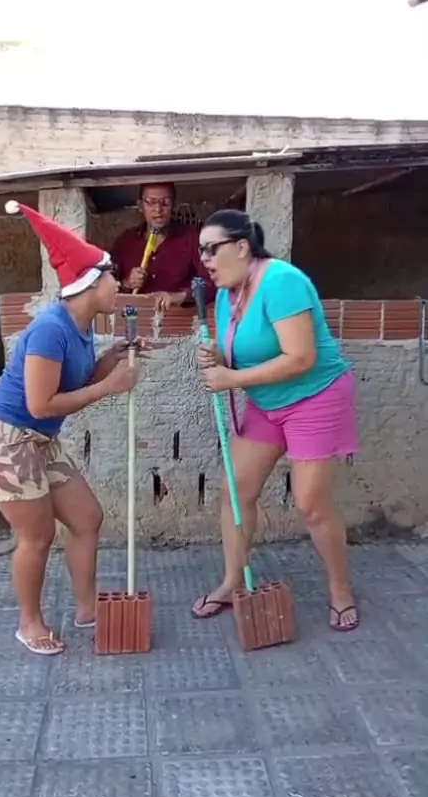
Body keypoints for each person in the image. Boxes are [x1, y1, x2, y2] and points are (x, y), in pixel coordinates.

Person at [0, 201, 139, 656]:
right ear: (90, 283)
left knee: (87, 519)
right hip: (5, 440)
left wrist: (112, 358)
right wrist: (109, 388)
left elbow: (76, 384)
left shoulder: (81, 328)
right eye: (111, 276)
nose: (119, 283)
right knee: (38, 535)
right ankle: (29, 623)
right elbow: (40, 403)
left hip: (38, 439)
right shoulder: (51, 329)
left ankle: (87, 609)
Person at [192, 208, 359, 632]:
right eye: (201, 252)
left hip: (314, 397)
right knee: (236, 490)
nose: (205, 259)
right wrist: (218, 357)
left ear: (242, 246)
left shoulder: (283, 282)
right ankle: (232, 582)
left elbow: (301, 358)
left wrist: (232, 378)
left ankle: (341, 591)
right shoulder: (226, 294)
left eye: (212, 249)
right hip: (266, 401)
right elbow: (242, 354)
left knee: (310, 503)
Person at [112, 181, 215, 309]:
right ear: (140, 205)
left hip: (179, 318)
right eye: (150, 202)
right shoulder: (125, 242)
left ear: (174, 205)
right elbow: (105, 288)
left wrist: (180, 296)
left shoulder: (192, 238)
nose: (158, 209)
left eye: (165, 202)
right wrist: (127, 284)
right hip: (135, 318)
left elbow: (212, 282)